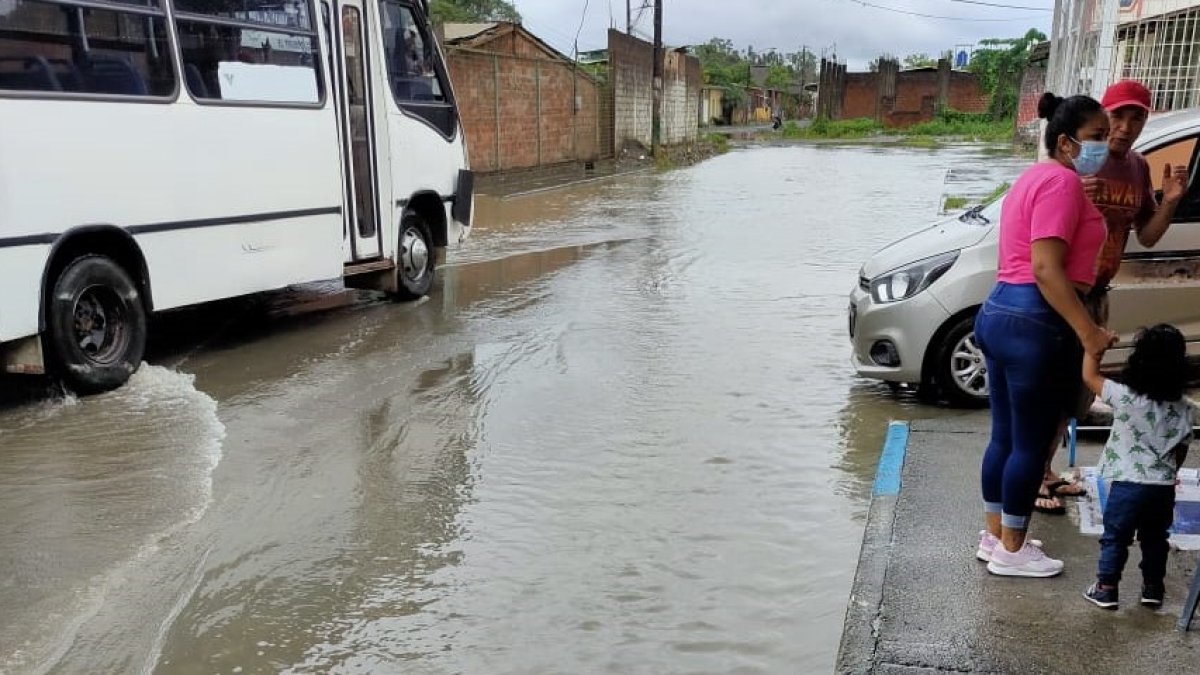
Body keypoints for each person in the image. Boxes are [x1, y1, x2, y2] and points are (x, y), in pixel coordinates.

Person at [974, 92, 1117, 577]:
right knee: (1030, 445)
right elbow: (1045, 268)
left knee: (1006, 439)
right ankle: (1013, 551)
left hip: (1001, 311)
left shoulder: (1035, 177)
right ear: (1066, 142)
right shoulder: (1060, 184)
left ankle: (996, 536)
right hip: (1035, 319)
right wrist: (1090, 332)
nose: (1106, 143)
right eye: (1097, 137)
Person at [1035, 79, 1190, 514]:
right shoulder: (1079, 160)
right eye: (1116, 116)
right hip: (1065, 292)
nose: (1123, 127)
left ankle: (1045, 472)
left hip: (1099, 291)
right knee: (1048, 388)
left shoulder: (1138, 169)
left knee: (1076, 395)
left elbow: (1148, 234)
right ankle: (1032, 479)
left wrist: (1170, 202)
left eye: (1135, 116)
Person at [1082, 324, 1193, 609]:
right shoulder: (1184, 408)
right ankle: (1153, 588)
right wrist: (1171, 472)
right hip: (1161, 488)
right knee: (1156, 539)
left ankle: (1107, 588)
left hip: (1127, 485)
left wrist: (1095, 346)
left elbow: (1089, 375)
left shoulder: (1125, 396)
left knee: (1116, 537)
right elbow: (1181, 448)